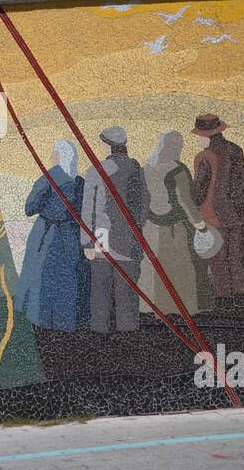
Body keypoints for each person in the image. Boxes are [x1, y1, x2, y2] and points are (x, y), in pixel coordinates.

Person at [81, 127, 149, 333]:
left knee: (100, 286)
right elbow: (144, 202)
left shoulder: (95, 171)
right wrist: (136, 226)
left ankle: (99, 329)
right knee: (127, 287)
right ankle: (128, 330)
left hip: (102, 236)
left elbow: (88, 210)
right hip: (129, 237)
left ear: (107, 145)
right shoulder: (136, 169)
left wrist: (86, 242)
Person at [16, 142, 90, 331]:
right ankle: (66, 321)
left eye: (53, 153)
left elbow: (29, 208)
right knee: (68, 279)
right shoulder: (79, 181)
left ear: (57, 155)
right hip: (71, 236)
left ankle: (40, 320)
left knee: (42, 276)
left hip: (46, 235)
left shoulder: (50, 177)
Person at [139, 131, 212, 318]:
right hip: (172, 227)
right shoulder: (177, 169)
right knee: (178, 267)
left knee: (151, 267)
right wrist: (200, 225)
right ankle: (174, 308)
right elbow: (186, 201)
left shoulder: (147, 167)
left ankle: (148, 307)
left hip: (149, 225)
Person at [191, 114, 244, 304]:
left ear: (206, 135)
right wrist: (237, 202)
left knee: (218, 256)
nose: (199, 139)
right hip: (238, 212)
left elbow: (200, 188)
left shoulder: (204, 156)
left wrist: (194, 208)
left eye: (199, 135)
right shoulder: (236, 150)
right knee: (238, 253)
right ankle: (242, 294)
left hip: (214, 214)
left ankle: (224, 297)